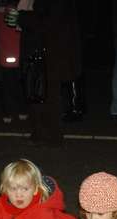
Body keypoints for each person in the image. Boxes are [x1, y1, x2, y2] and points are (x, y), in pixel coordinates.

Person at [6, 0, 82, 147]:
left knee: (48, 94)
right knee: (37, 92)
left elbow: (49, 21)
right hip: (42, 50)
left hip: (50, 52)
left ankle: (51, 136)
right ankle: (40, 133)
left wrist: (22, 17)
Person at [0, 1, 27, 124]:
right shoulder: (14, 12)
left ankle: (10, 111)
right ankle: (18, 110)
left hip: (6, 55)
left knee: (8, 86)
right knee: (16, 85)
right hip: (13, 54)